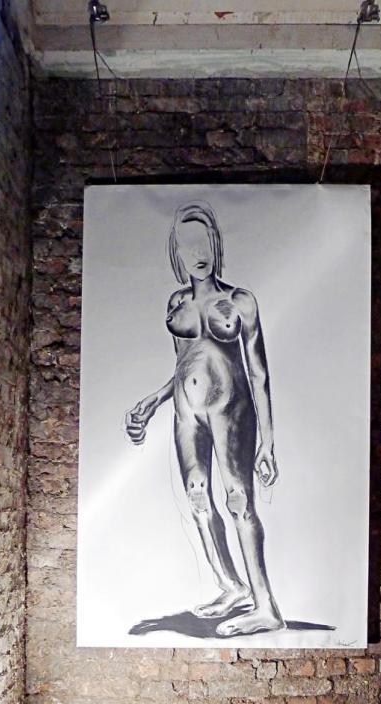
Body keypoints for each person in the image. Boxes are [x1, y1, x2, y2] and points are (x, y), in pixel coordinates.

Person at [125, 200, 284, 638]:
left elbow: (259, 372)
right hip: (186, 411)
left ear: (215, 244)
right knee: (197, 498)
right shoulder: (176, 303)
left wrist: (268, 442)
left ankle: (266, 607)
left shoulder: (239, 301)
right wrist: (154, 400)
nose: (198, 253)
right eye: (188, 244)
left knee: (238, 501)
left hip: (231, 409)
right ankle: (231, 586)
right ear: (176, 251)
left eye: (204, 242)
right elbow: (185, 364)